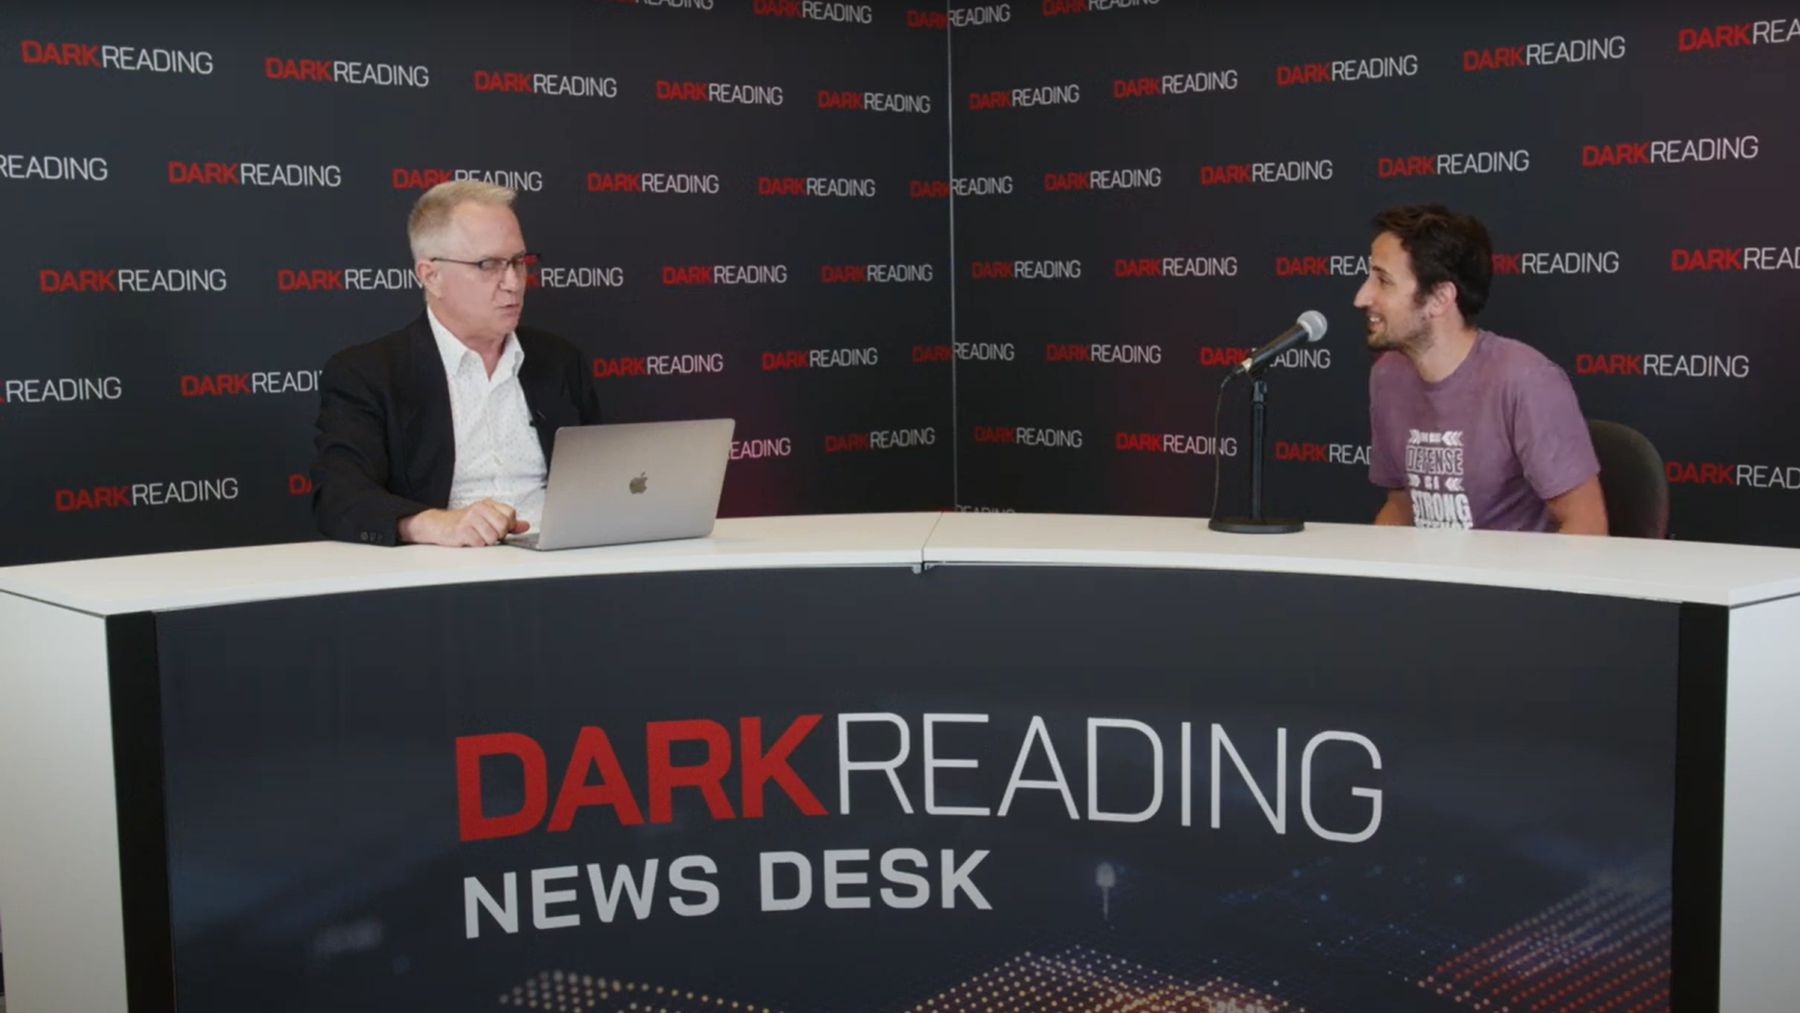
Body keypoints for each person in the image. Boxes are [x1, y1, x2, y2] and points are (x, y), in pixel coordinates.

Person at [310, 180, 601, 546]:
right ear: (431, 276)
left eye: (518, 262)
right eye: (489, 265)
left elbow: (603, 478)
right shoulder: (368, 373)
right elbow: (338, 497)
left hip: (565, 564)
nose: (513, 283)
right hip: (447, 576)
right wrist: (433, 524)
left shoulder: (559, 360)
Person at [1355, 204, 1607, 534]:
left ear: (1439, 298)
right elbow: (1401, 507)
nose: (1361, 297)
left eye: (1383, 281)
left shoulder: (1526, 380)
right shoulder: (1388, 377)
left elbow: (1587, 525)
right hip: (1430, 582)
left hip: (1512, 583)